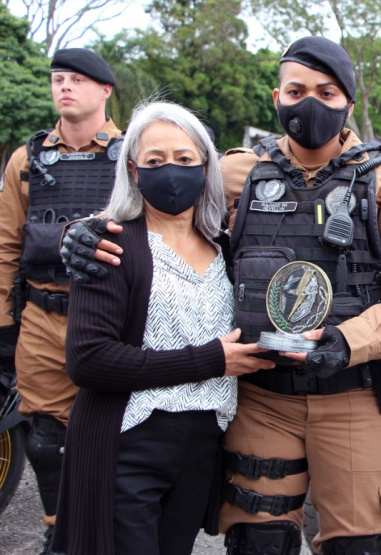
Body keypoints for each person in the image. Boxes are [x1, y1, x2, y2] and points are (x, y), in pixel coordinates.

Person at [61, 36, 381, 555]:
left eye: (327, 91)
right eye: (296, 89)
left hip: (354, 392)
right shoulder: (238, 173)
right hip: (264, 398)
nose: (310, 102)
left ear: (349, 103)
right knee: (257, 541)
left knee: (359, 545)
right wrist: (83, 232)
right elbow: (156, 205)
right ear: (276, 97)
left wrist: (346, 339)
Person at [51, 100, 275, 555]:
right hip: (128, 444)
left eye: (184, 159)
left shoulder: (225, 248)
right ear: (133, 170)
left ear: (206, 165)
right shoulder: (110, 245)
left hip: (200, 446)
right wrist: (213, 359)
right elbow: (89, 360)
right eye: (155, 161)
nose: (170, 171)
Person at [0, 47, 122, 553]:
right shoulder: (27, 160)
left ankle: (108, 531)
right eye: (57, 79)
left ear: (104, 90)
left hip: (109, 316)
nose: (64, 87)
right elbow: (7, 244)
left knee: (115, 436)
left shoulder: (133, 154)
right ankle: (58, 531)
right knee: (47, 440)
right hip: (43, 316)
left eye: (76, 79)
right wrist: (5, 327)